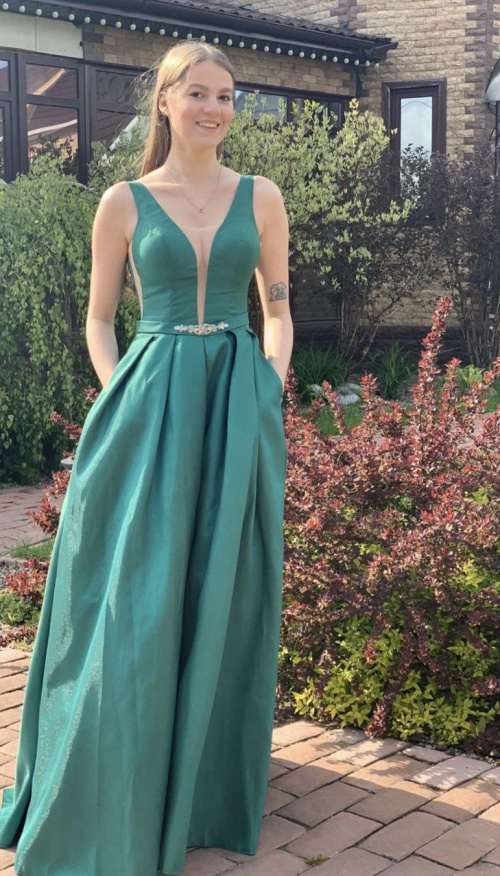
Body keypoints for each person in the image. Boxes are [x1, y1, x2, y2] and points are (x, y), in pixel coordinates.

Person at [0, 38, 293, 876]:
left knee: (223, 584)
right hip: (146, 400)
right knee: (130, 588)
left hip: (234, 404)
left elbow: (277, 310)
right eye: (197, 92)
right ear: (164, 100)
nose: (213, 108)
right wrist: (119, 393)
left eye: (226, 96)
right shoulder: (122, 203)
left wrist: (267, 389)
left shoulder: (262, 197)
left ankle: (200, 787)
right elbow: (100, 320)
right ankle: (113, 770)